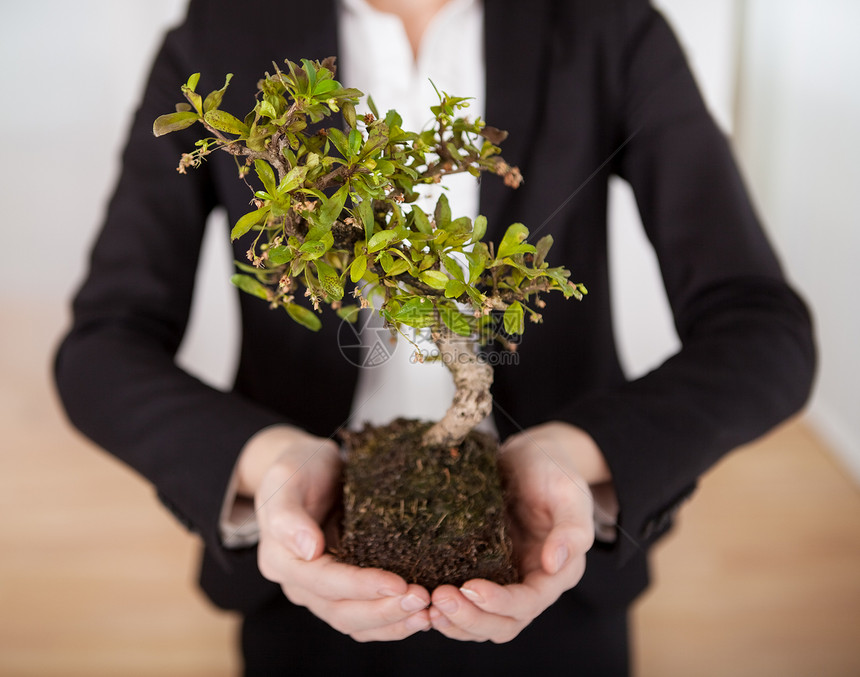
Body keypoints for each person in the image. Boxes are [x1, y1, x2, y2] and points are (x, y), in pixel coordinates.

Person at [54, 0, 816, 674]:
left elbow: (763, 331)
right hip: (299, 580)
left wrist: (584, 452)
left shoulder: (605, 23)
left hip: (560, 579)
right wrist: (267, 464)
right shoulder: (221, 32)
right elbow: (102, 347)